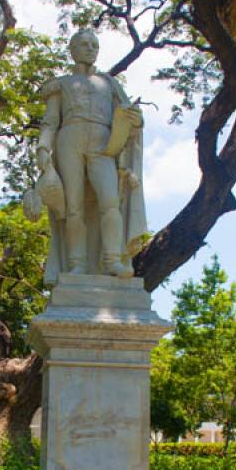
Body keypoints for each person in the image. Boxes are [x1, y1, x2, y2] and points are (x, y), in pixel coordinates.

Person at [32, 29, 148, 284]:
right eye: (84, 44)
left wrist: (137, 119)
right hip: (69, 138)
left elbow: (129, 116)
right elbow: (50, 122)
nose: (90, 48)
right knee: (74, 206)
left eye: (94, 44)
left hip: (103, 143)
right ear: (72, 50)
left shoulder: (110, 84)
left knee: (110, 201)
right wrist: (42, 149)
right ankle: (77, 264)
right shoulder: (60, 84)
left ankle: (112, 260)